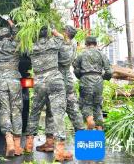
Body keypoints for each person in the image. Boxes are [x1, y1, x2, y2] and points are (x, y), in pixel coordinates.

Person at [24, 26, 73, 162]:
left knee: (34, 112)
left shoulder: (31, 47)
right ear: (48, 34)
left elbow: (25, 49)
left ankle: (28, 145)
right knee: (58, 114)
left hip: (39, 81)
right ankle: (60, 151)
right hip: (55, 80)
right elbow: (62, 37)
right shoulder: (54, 42)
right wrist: (53, 29)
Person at [36, 25, 84, 153]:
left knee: (52, 110)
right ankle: (84, 143)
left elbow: (58, 56)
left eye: (63, 31)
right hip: (68, 79)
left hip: (58, 77)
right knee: (74, 109)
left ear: (66, 34)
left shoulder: (63, 44)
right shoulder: (73, 43)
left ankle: (51, 142)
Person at [0, 12, 23, 157]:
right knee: (16, 111)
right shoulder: (16, 44)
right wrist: (9, 20)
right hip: (14, 80)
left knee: (4, 111)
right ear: (9, 36)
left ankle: (9, 143)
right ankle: (18, 145)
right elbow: (19, 33)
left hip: (0, 80)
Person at [73, 36, 112, 130]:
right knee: (97, 106)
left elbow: (76, 70)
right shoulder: (102, 54)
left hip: (85, 80)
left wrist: (81, 77)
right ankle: (99, 130)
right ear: (96, 44)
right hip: (98, 80)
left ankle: (90, 121)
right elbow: (109, 72)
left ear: (86, 44)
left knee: (86, 104)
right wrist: (103, 77)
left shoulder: (81, 55)